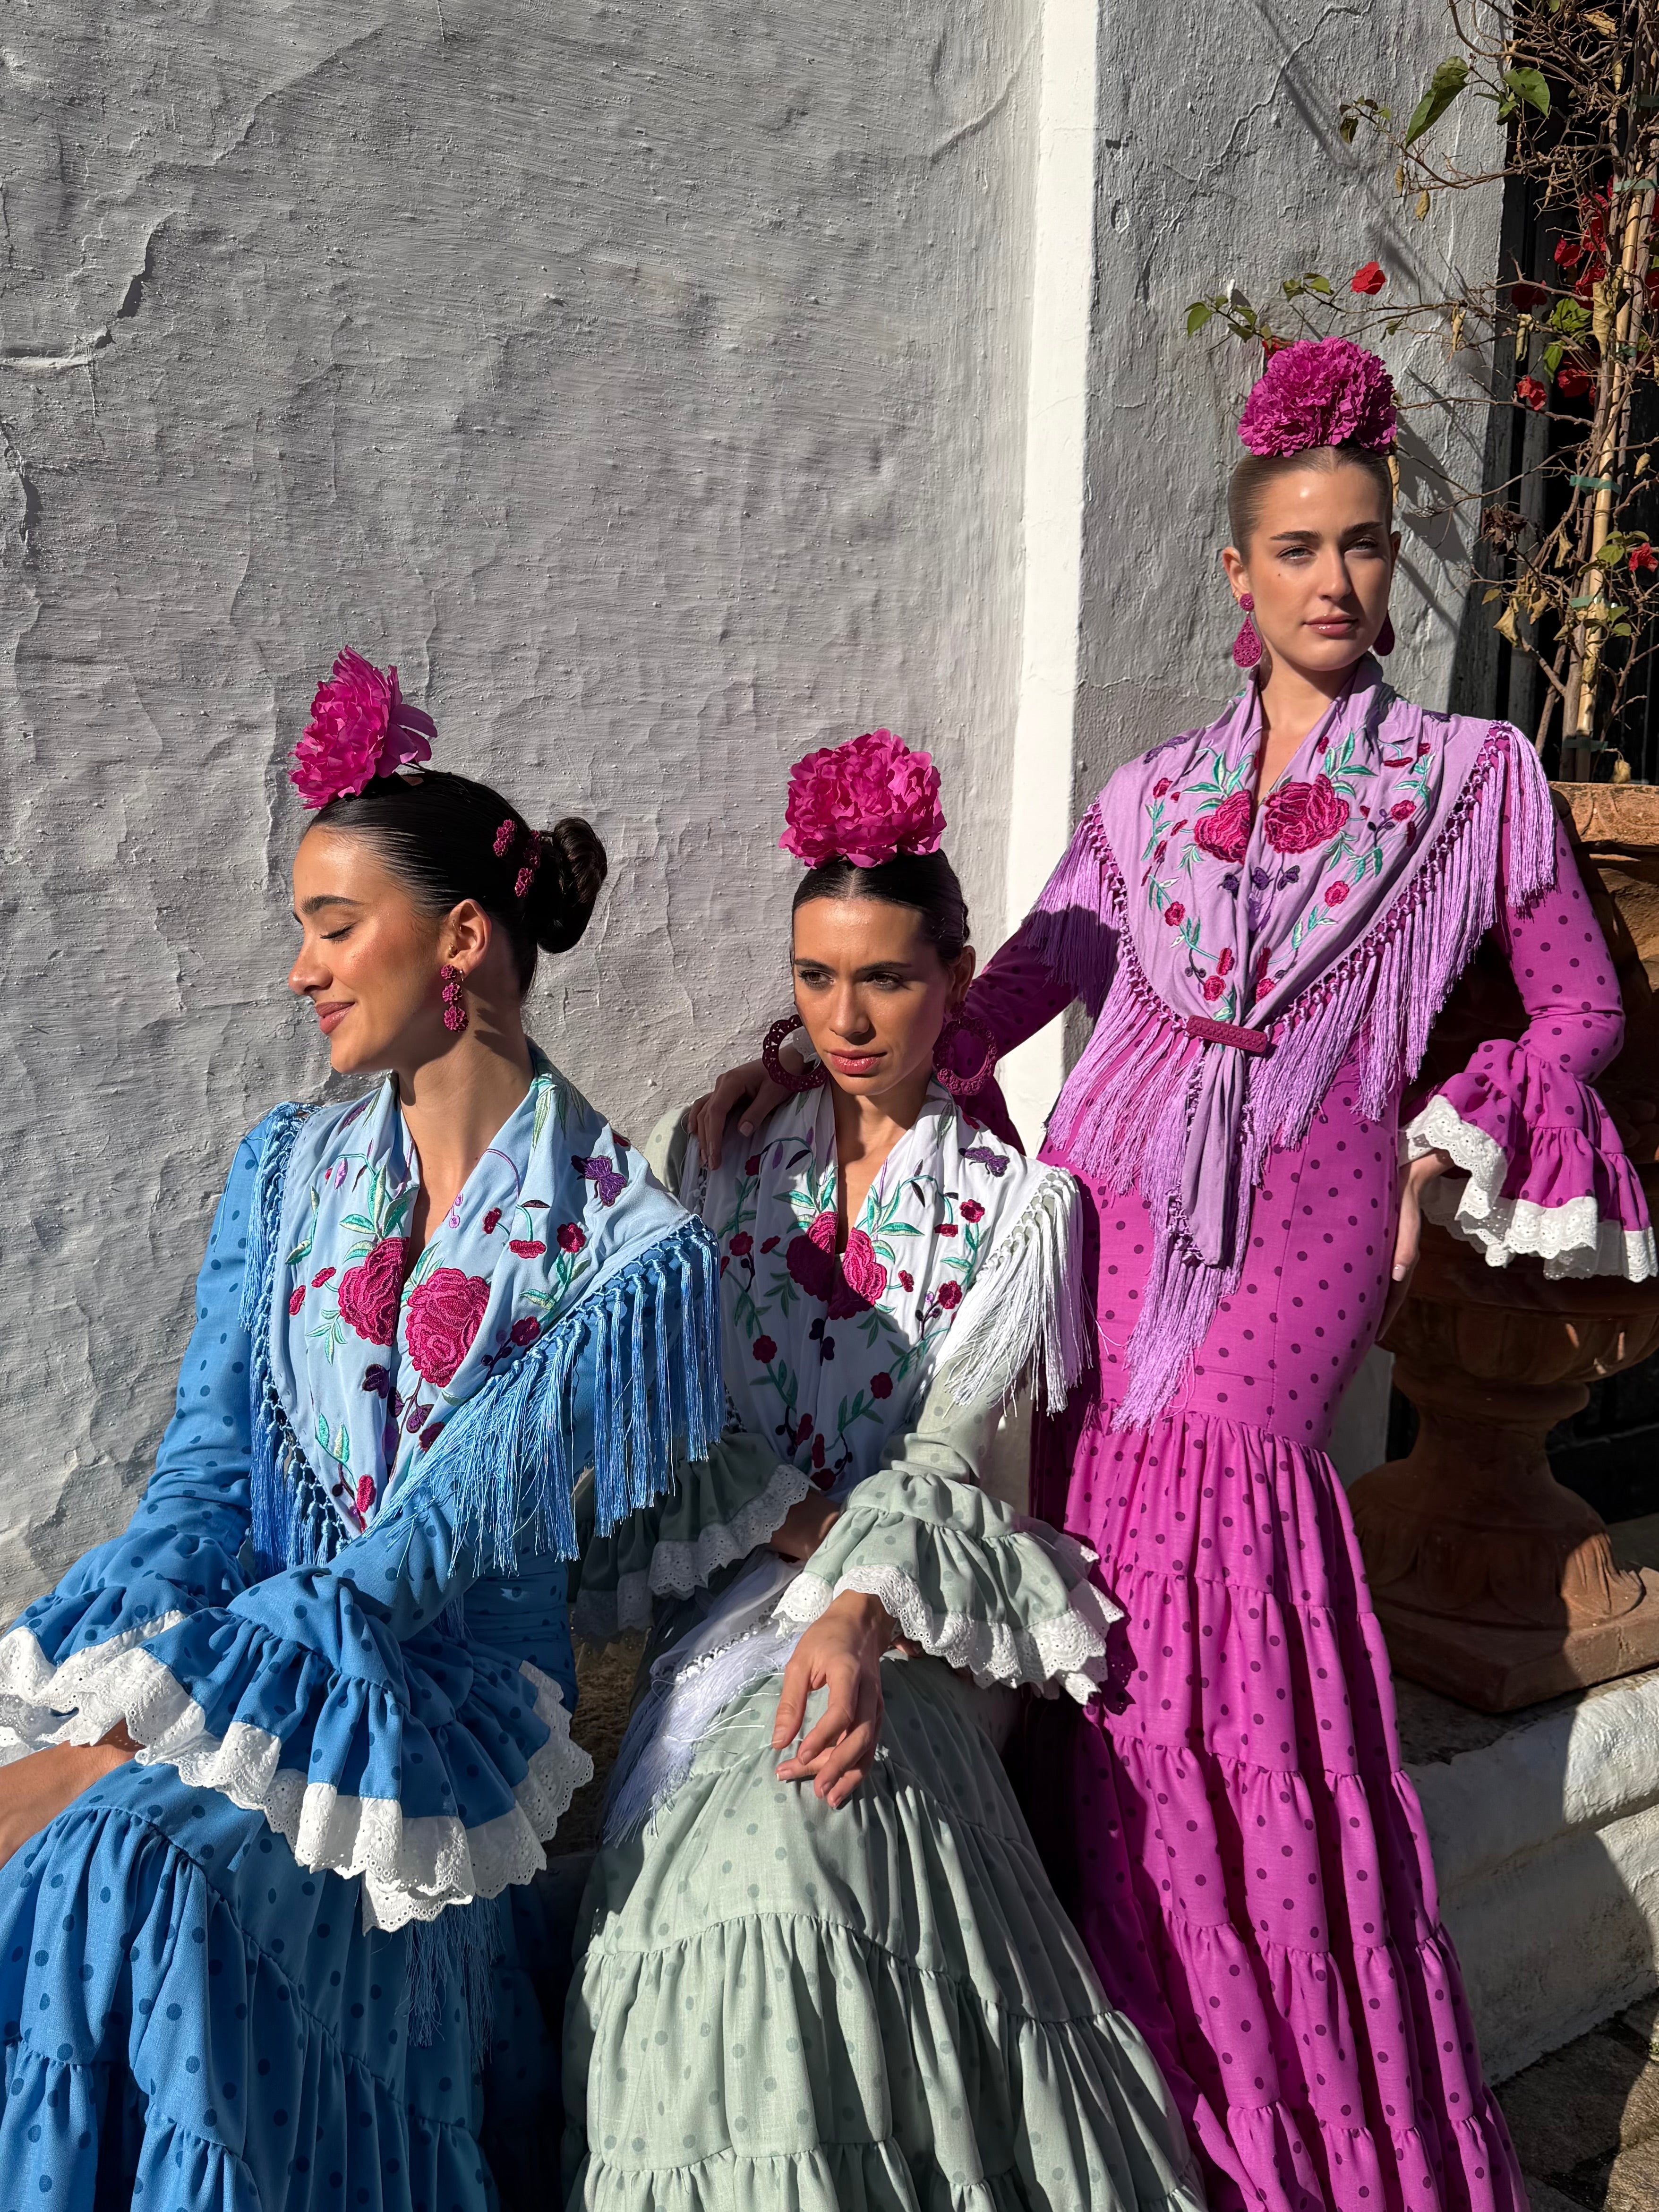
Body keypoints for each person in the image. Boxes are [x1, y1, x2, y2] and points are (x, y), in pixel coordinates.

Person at [691, 340, 1657, 2212]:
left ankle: (1282, 2108)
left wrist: (1446, 1133)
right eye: (1295, 548)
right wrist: (813, 1057)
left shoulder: (1475, 781)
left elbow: (1581, 1005)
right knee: (1103, 1596)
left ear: (1393, 564)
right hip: (1105, 1213)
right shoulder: (1142, 805)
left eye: (1364, 546)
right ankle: (1122, 2070)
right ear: (1235, 576)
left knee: (1223, 1605)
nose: (1333, 581)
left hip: (1299, 1229)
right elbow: (997, 1003)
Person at [0, 649, 723, 2209]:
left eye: (334, 926)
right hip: (253, 1663)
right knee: (72, 1859)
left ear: (461, 938)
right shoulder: (283, 1168)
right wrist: (87, 1698)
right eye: (302, 932)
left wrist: (110, 1754)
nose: (301, 969)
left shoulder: (617, 1242)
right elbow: (203, 1478)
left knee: (131, 1855)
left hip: (428, 1734)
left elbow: (412, 1564)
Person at [565, 730, 1206, 2211]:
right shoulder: (714, 1158)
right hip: (730, 1604)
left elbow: (940, 1452)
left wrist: (856, 1608)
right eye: (816, 977)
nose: (847, 1017)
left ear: (959, 975)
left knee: (811, 1844)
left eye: (889, 978)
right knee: (736, 1877)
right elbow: (659, 1415)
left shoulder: (1019, 1205)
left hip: (920, 1619)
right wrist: (797, 1538)